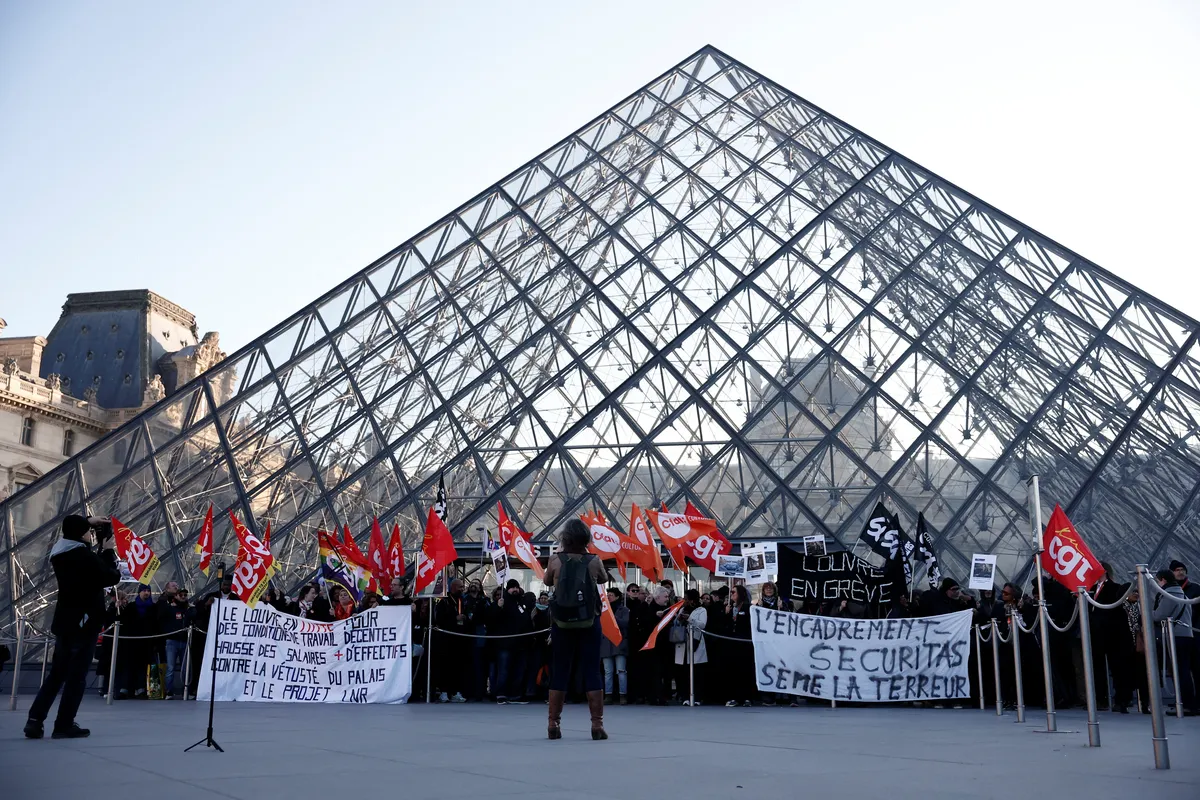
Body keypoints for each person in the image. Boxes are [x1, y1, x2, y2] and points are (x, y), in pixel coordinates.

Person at [24, 515, 122, 739]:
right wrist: (107, 550)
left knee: (56, 674)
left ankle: (35, 720)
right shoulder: (83, 556)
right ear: (81, 534)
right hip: (84, 624)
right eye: (88, 530)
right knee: (76, 677)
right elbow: (110, 576)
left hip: (65, 622)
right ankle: (64, 724)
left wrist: (88, 521)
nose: (91, 534)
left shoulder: (61, 553)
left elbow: (72, 527)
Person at [543, 518, 609, 740]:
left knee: (560, 670)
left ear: (566, 538)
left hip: (562, 622)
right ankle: (597, 726)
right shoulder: (593, 560)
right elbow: (604, 578)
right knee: (592, 669)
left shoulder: (555, 560)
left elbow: (546, 582)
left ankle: (553, 724)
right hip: (589, 621)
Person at [1153, 568, 1197, 715]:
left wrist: (1146, 613)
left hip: (1175, 637)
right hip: (1186, 635)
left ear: (1163, 580)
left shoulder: (1169, 594)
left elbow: (1159, 615)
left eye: (1158, 580)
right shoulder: (1182, 594)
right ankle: (1188, 703)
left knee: (1180, 671)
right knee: (1184, 671)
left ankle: (1186, 704)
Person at [490, 579, 534, 704]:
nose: (515, 590)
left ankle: (515, 694)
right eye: (512, 588)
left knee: (519, 670)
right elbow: (491, 619)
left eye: (516, 587)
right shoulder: (502, 602)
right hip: (505, 644)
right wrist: (498, 607)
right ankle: (501, 694)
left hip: (521, 644)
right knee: (503, 669)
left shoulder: (521, 602)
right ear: (507, 589)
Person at [433, 579, 471, 703]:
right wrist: (455, 618)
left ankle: (456, 692)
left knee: (459, 667)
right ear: (453, 587)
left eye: (463, 586)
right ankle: (444, 692)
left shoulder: (463, 601)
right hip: (446, 640)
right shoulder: (444, 602)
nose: (462, 589)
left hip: (460, 639)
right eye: (460, 587)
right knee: (445, 667)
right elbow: (439, 619)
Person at [675, 588, 707, 705]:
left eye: (687, 598)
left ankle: (697, 697)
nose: (685, 600)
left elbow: (702, 624)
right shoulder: (682, 609)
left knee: (697, 672)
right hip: (683, 642)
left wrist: (689, 618)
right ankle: (685, 696)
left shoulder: (701, 610)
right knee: (683, 672)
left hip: (695, 641)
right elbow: (676, 623)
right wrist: (679, 619)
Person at [158, 584, 191, 699]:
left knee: (185, 668)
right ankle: (169, 691)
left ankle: (186, 691)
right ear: (175, 596)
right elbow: (160, 616)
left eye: (185, 595)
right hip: (172, 640)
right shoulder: (169, 608)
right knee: (171, 667)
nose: (183, 596)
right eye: (180, 595)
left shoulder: (188, 609)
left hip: (184, 641)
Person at [724, 585, 755, 707]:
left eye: (734, 592)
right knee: (733, 671)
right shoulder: (730, 608)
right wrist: (726, 613)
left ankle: (747, 697)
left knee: (745, 671)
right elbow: (726, 625)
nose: (731, 594)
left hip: (745, 644)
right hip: (732, 644)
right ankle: (734, 697)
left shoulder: (748, 607)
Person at [600, 587, 630, 705]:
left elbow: (625, 623)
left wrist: (612, 617)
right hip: (606, 645)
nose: (608, 597)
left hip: (619, 644)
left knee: (621, 670)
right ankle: (608, 694)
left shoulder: (624, 610)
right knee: (608, 671)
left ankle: (623, 695)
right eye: (607, 595)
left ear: (617, 596)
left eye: (611, 595)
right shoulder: (603, 610)